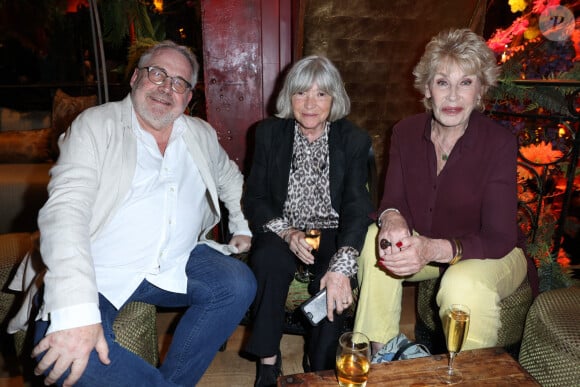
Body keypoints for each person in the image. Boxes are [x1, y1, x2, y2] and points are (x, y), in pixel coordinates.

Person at [30, 40, 257, 386]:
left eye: (179, 82)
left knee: (237, 284)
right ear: (136, 78)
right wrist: (75, 312)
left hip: (174, 262)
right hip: (101, 271)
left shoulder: (200, 134)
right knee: (63, 359)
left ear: (188, 96)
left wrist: (241, 226)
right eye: (157, 74)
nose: (167, 87)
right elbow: (65, 210)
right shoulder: (95, 125)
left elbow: (229, 178)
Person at [353, 28, 537, 355]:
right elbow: (392, 200)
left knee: (461, 283)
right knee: (374, 240)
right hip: (430, 242)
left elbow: (498, 236)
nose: (453, 97)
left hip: (492, 251)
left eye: (466, 82)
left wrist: (432, 249)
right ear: (427, 88)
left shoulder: (498, 143)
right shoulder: (405, 132)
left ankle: (466, 373)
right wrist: (391, 218)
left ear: (481, 90)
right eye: (443, 82)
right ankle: (378, 351)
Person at [242, 55, 373, 386]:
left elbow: (358, 206)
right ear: (289, 97)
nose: (310, 104)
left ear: (335, 99)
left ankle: (321, 364)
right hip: (284, 227)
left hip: (332, 228)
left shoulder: (354, 139)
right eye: (301, 93)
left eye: (321, 94)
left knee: (331, 281)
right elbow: (254, 198)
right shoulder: (268, 133)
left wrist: (343, 264)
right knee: (269, 261)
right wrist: (287, 233)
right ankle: (268, 362)